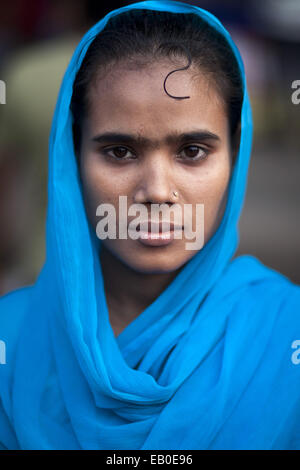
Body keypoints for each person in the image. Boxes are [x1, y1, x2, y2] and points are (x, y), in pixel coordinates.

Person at [0, 0, 299, 450]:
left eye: (192, 151)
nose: (157, 191)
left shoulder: (287, 333)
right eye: (120, 151)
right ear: (72, 157)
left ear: (236, 156)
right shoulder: (11, 339)